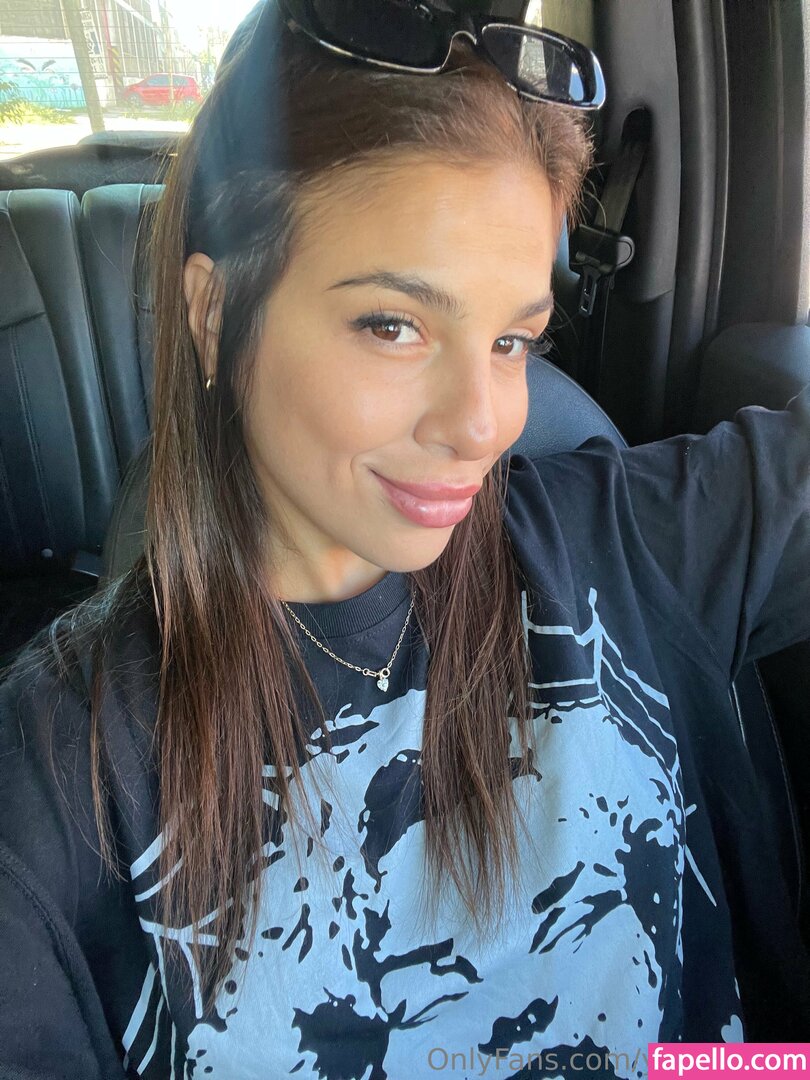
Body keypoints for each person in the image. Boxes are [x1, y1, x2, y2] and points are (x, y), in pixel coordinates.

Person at [1, 2, 809, 1077]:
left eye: (514, 340)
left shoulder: (624, 538)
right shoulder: (59, 777)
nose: (481, 424)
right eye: (394, 325)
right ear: (215, 315)